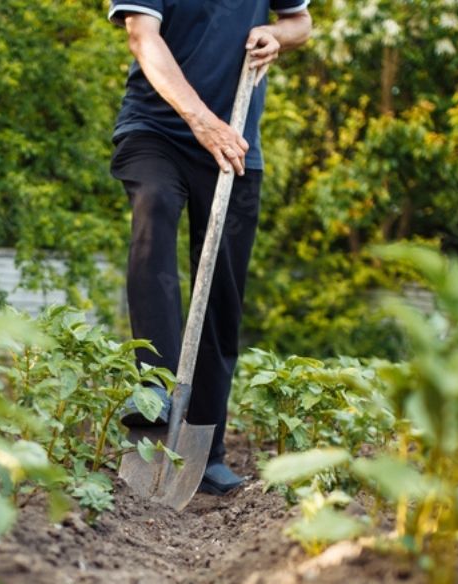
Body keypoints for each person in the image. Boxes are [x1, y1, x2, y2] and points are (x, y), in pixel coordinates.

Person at [108, 0, 313, 495]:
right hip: (157, 130)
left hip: (235, 144)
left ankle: (208, 450)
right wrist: (201, 121)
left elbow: (301, 21)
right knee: (153, 209)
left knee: (221, 295)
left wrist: (276, 35)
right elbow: (142, 36)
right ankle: (154, 390)